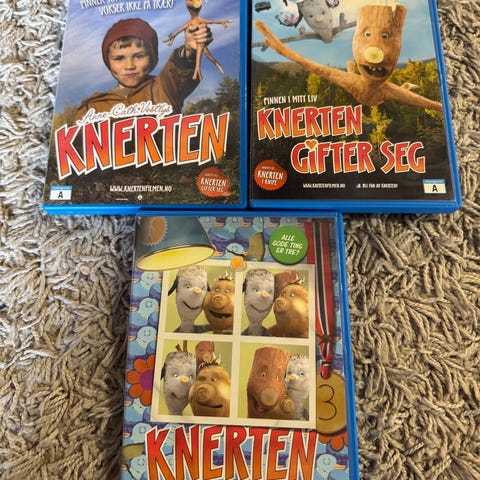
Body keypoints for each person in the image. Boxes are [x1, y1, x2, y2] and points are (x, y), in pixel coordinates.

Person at [75, 17, 212, 121]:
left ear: (152, 58)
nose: (129, 66)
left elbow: (178, 72)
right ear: (108, 62)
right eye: (119, 58)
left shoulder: (164, 88)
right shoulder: (92, 108)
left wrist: (189, 50)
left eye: (139, 56)